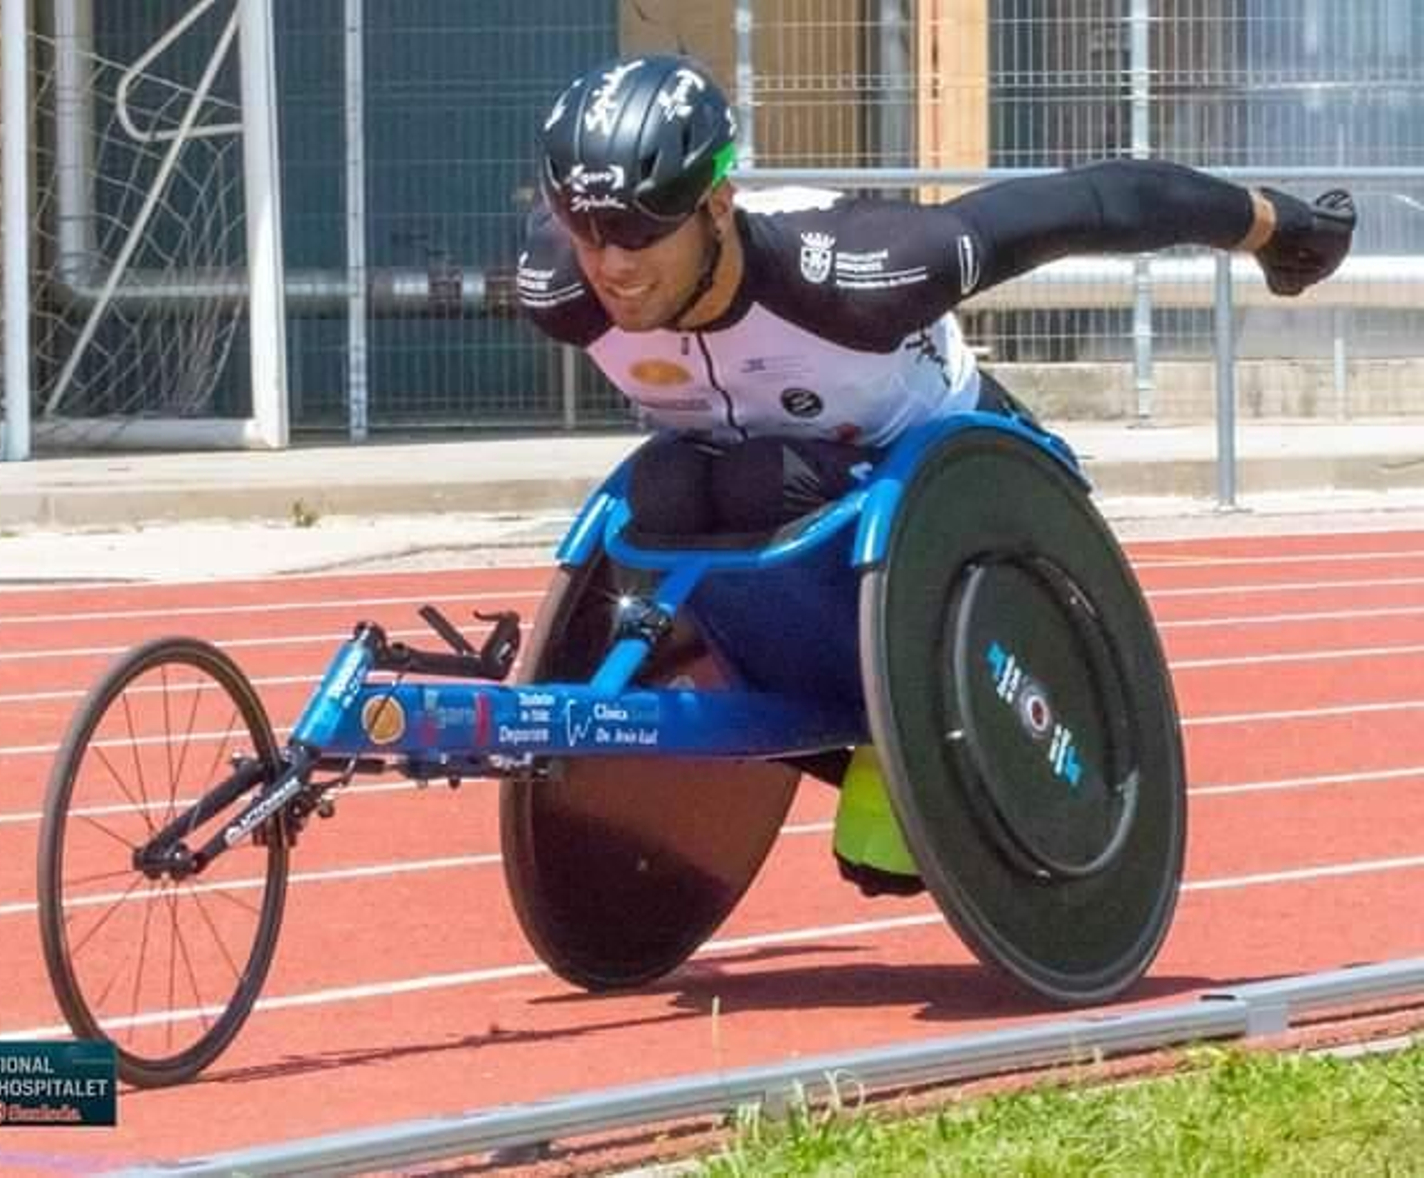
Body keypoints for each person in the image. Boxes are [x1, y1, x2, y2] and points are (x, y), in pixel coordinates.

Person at [516, 53, 1357, 892]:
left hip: (954, 506)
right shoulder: (562, 290)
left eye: (640, 231)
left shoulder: (867, 270)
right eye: (587, 232)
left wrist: (1277, 226)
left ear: (718, 204)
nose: (614, 265)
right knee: (660, 493)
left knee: (750, 489)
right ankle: (821, 717)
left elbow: (1095, 203)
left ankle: (913, 737)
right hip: (772, 523)